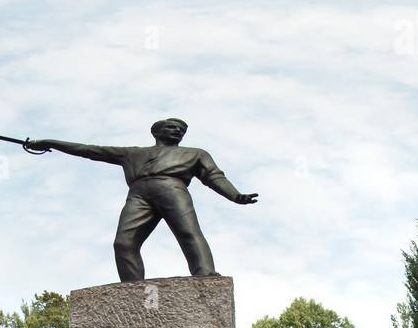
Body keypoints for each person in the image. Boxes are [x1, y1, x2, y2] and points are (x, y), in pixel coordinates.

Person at [22, 118, 258, 281]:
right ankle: (133, 288)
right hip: (138, 193)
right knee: (123, 243)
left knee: (188, 233)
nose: (178, 131)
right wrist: (50, 142)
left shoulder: (195, 153)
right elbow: (88, 150)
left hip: (172, 188)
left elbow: (214, 176)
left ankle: (205, 274)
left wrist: (234, 195)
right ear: (156, 131)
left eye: (182, 129)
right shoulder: (132, 153)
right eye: (173, 127)